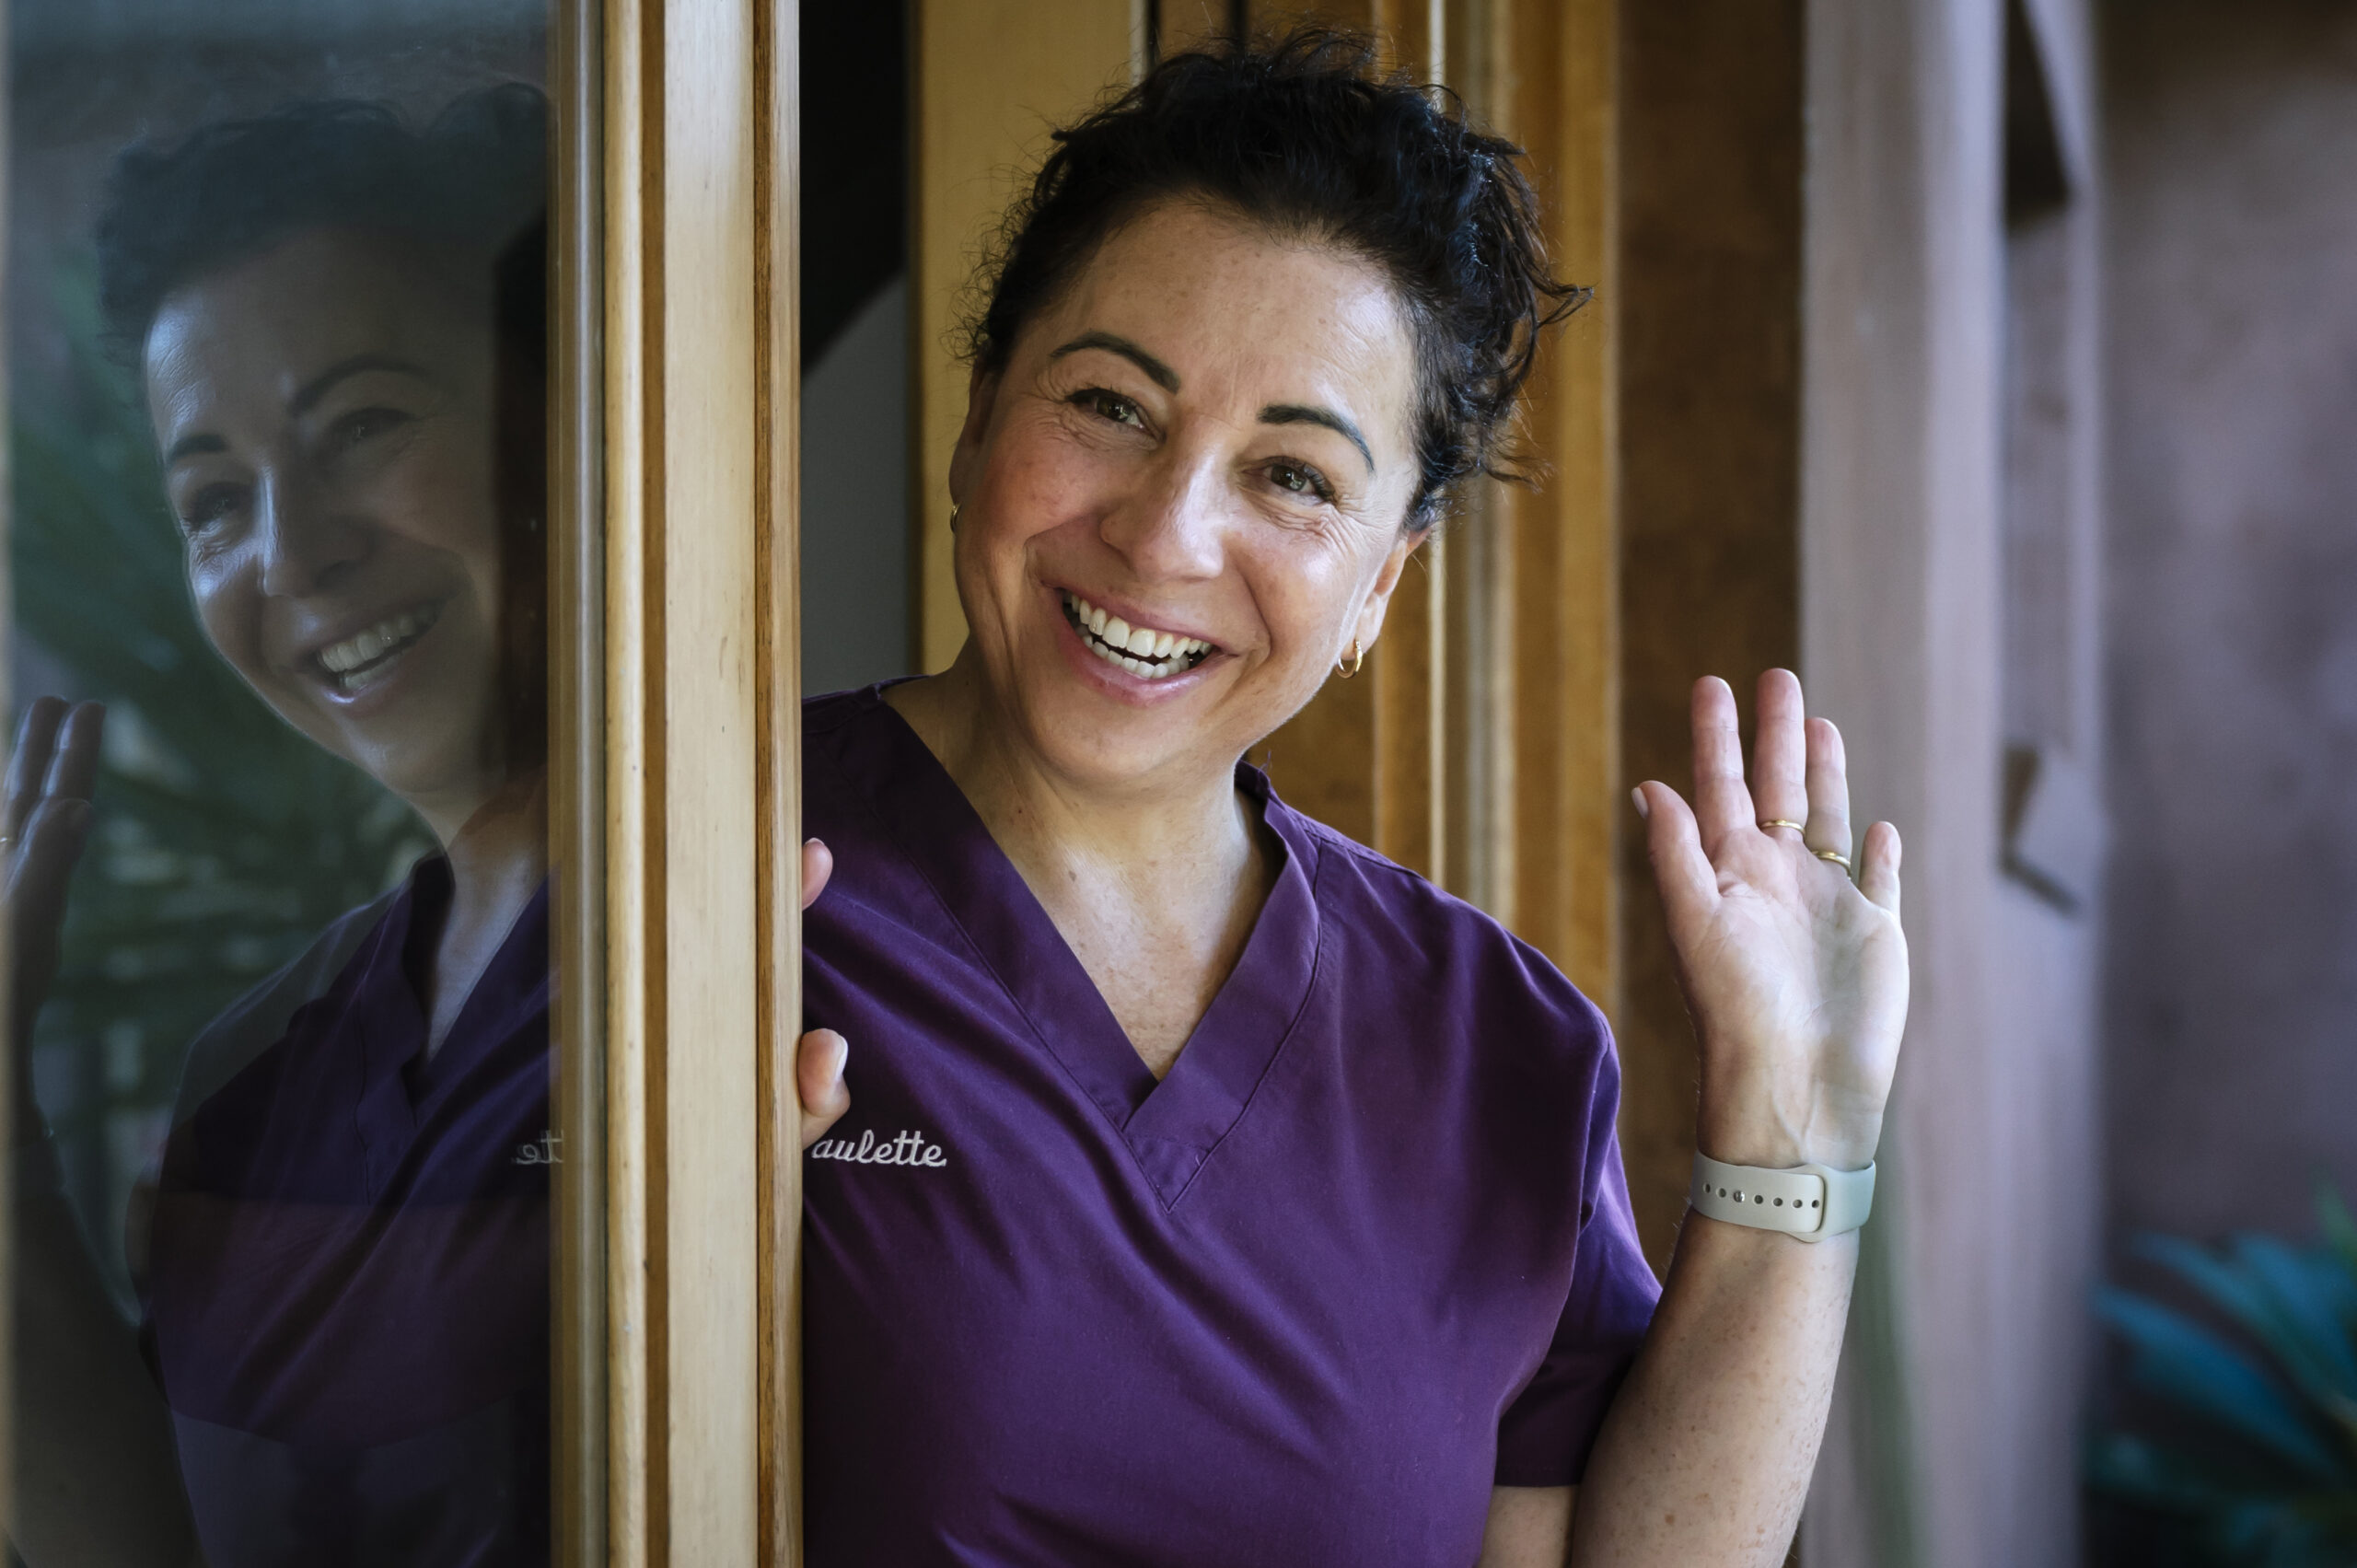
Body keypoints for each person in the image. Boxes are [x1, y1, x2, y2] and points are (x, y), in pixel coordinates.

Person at [787, 30, 1908, 1567]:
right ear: (981, 417)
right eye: (1111, 403)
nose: (1168, 533)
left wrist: (1798, 1123)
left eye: (1295, 476)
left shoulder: (1493, 1049)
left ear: (1382, 582)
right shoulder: (708, 879)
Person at [6, 87, 560, 1566]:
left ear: (556, 415)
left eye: (363, 423)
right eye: (211, 501)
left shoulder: (785, 936)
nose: (293, 546)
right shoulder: (255, 1079)